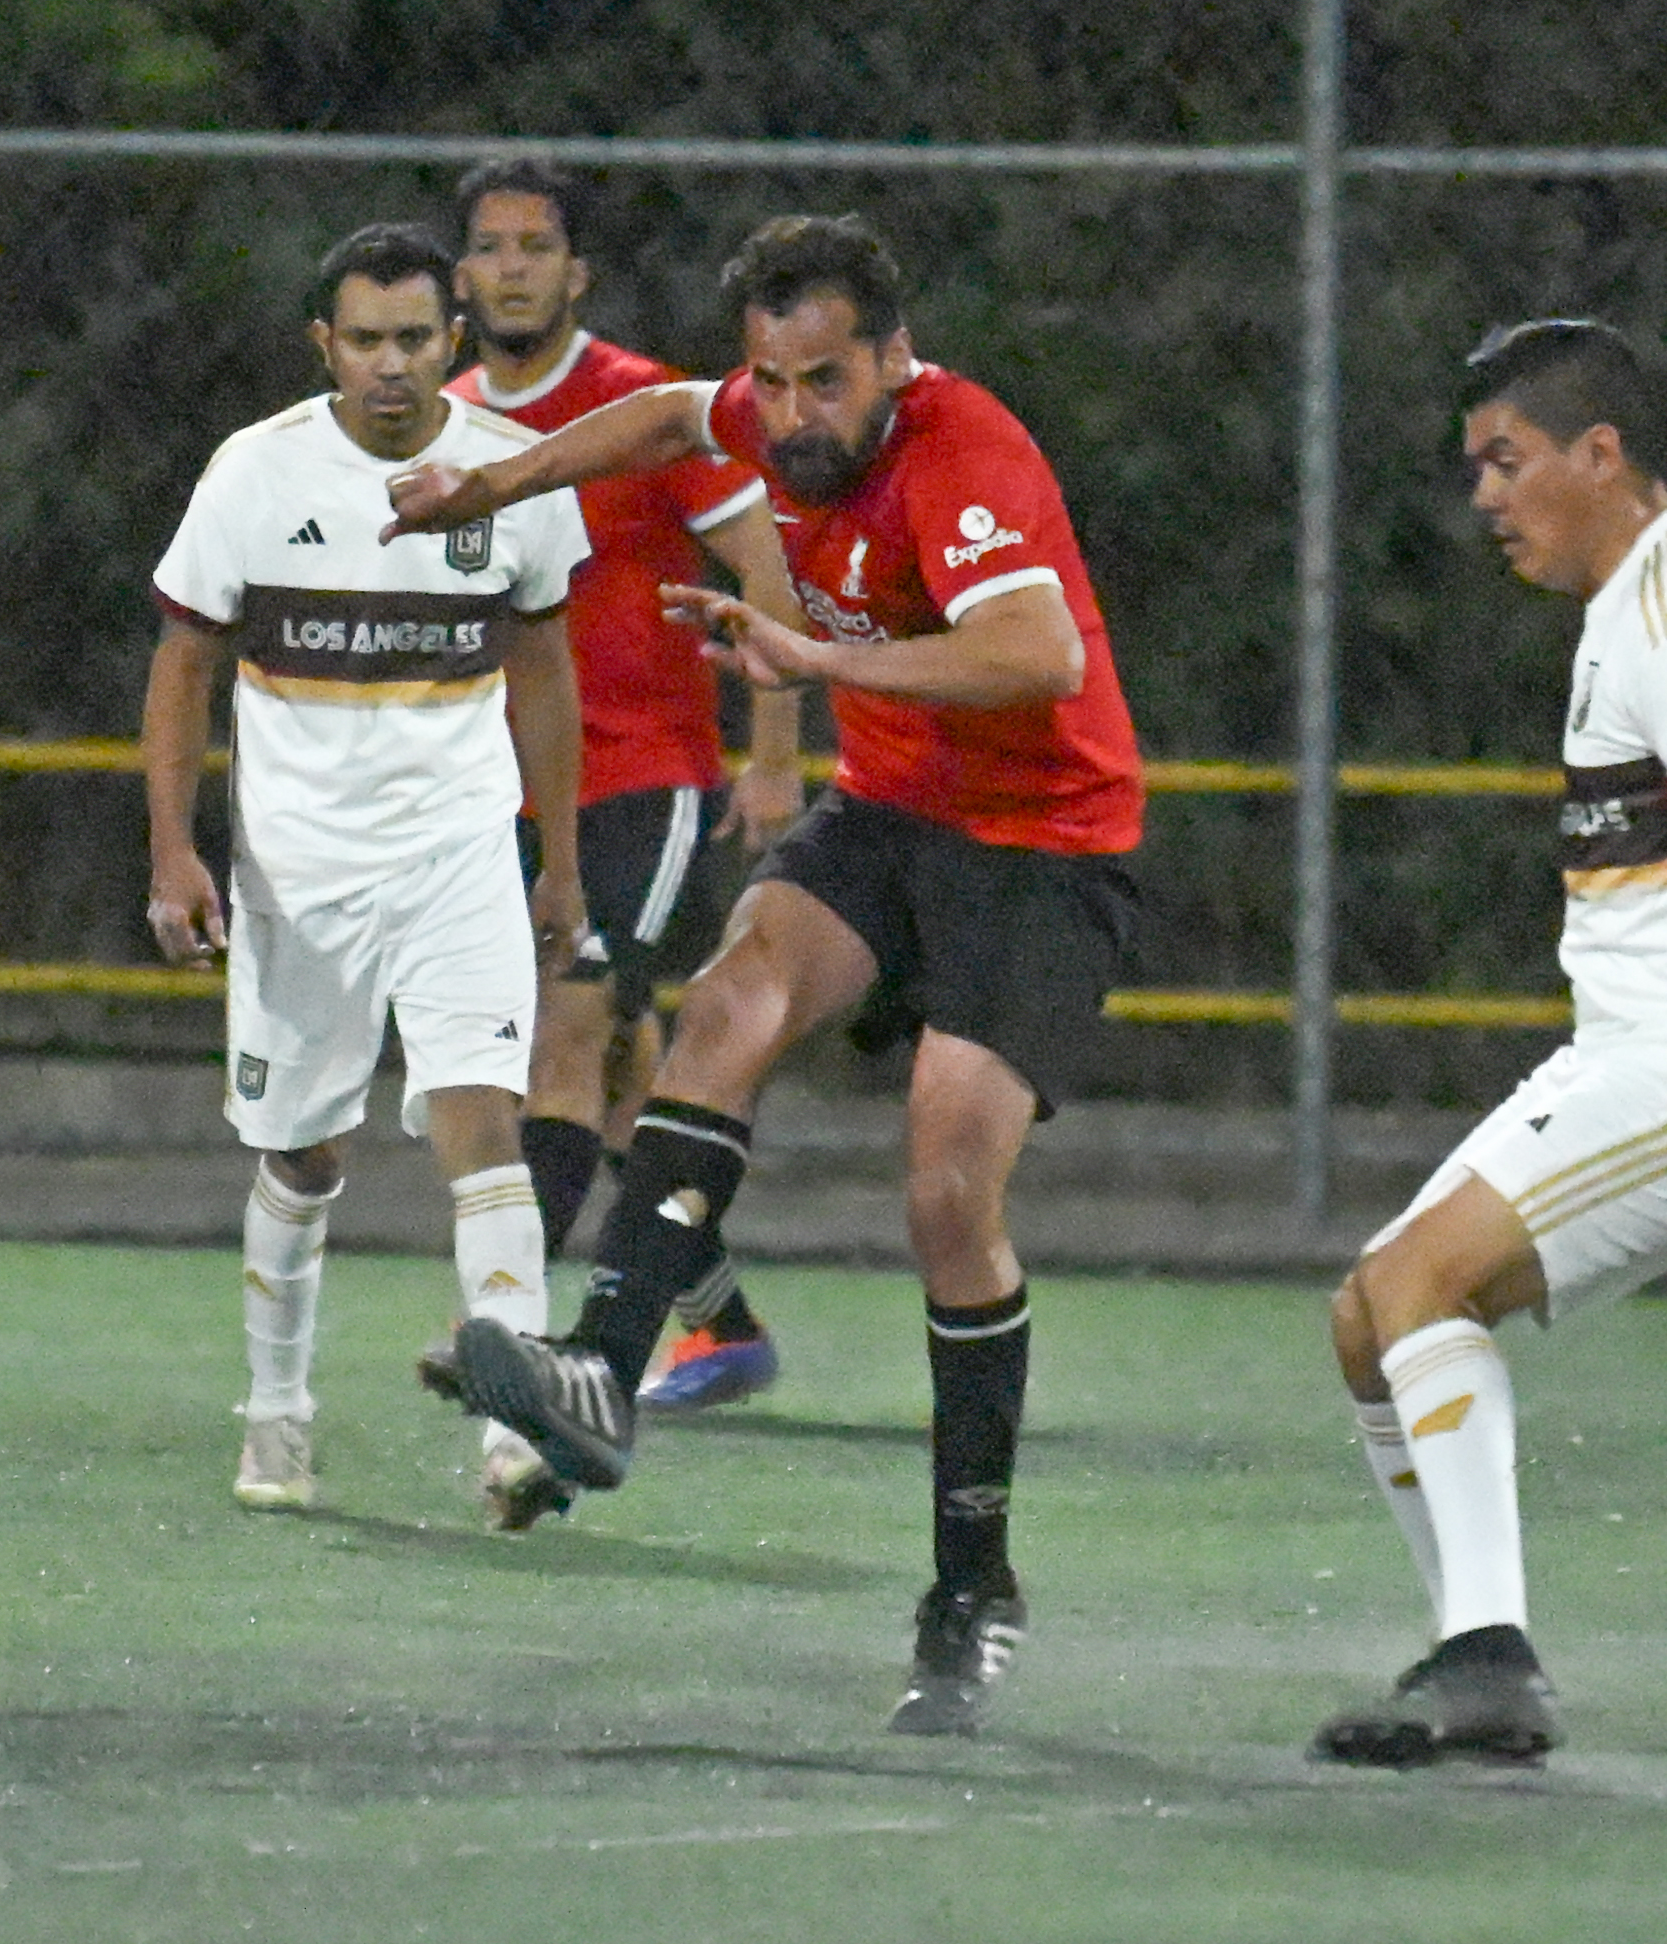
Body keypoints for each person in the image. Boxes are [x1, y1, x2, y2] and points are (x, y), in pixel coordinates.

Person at [386, 213, 1143, 1736]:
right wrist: (492, 482)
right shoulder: (756, 411)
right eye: (774, 380)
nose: (791, 413)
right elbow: (672, 416)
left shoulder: (962, 448)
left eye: (824, 380)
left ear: (893, 358)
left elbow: (1039, 654)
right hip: (893, 815)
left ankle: (972, 1586)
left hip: (1043, 845)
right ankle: (604, 1374)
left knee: (947, 1198)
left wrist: (821, 664)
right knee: (728, 1003)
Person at [1309, 319, 1667, 1769]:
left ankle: (1489, 1660)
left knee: (1419, 1285)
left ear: (1599, 454)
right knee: (1369, 1320)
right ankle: (1472, 1654)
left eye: (1507, 462)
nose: (1486, 497)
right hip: (1641, 1054)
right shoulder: (1634, 600)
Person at [141, 222, 592, 1534]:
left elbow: (544, 668)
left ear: (453, 341)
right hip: (299, 872)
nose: (391, 365)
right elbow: (183, 662)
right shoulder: (255, 473)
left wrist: (560, 859)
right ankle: (276, 1410)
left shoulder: (513, 471)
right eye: (365, 341)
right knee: (304, 1152)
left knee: (484, 1123)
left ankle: (514, 1435)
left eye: (413, 339)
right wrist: (173, 849)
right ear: (323, 347)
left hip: (460, 851)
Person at [443, 159, 809, 1414]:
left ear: (576, 273)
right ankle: (722, 1326)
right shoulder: (445, 421)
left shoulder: (643, 407)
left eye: (536, 246)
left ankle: (504, 1329)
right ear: (461, 275)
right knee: (621, 1077)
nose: (513, 268)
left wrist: (774, 753)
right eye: (491, 246)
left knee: (567, 1030)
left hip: (645, 778)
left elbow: (767, 568)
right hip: (500, 793)